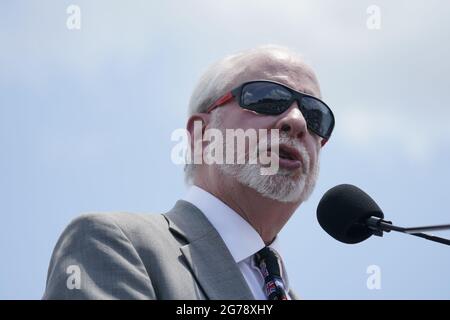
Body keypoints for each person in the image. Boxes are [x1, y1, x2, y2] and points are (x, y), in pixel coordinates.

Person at [42, 45, 335, 300]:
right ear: (202, 133)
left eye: (315, 115)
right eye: (268, 99)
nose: (297, 122)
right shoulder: (115, 245)